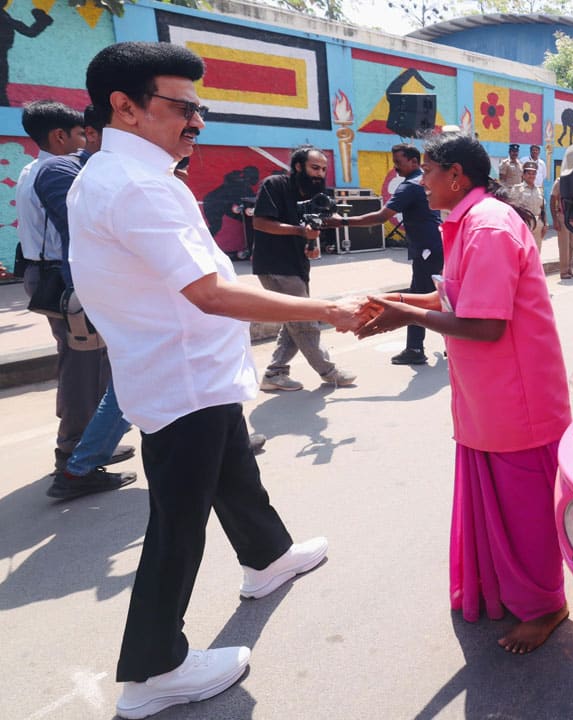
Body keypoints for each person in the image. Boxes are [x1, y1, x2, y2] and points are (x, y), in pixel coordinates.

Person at [68, 41, 360, 718]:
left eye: (199, 108)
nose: (196, 122)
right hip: (182, 378)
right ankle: (153, 670)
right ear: (125, 107)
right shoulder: (139, 185)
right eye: (182, 107)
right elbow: (211, 294)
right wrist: (328, 309)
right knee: (178, 523)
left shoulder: (119, 173)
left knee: (235, 471)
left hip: (195, 373)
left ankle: (268, 557)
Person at [353, 132, 571, 654]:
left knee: (525, 512)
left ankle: (548, 606)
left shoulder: (489, 227)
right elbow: (453, 294)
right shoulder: (468, 222)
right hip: (486, 396)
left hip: (516, 399)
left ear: (456, 177)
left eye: (426, 171)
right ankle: (504, 590)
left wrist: (406, 314)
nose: (419, 181)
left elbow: (485, 325)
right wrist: (394, 300)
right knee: (499, 504)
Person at [17, 100, 134, 477]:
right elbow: (80, 226)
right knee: (83, 365)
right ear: (59, 135)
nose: (87, 141)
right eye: (83, 133)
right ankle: (74, 452)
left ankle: (90, 443)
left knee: (92, 361)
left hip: (49, 272)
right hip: (60, 277)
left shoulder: (33, 167)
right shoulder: (56, 169)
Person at [252, 145, 356, 390]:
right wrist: (300, 231)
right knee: (305, 319)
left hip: (297, 264)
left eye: (323, 169)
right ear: (298, 166)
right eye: (314, 168)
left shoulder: (311, 194)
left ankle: (274, 373)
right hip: (275, 264)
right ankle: (329, 372)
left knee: (294, 321)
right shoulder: (274, 185)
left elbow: (311, 225)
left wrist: (311, 241)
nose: (319, 174)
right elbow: (261, 222)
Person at [328, 143, 442, 365]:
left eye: (399, 162)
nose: (396, 168)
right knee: (430, 297)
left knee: (417, 302)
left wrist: (341, 221)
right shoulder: (424, 181)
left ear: (413, 162)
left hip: (427, 250)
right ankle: (433, 344)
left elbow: (381, 216)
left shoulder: (409, 186)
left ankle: (417, 348)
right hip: (433, 246)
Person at [508, 161, 547, 251]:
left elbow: (543, 208)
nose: (531, 176)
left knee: (536, 252)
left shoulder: (539, 190)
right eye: (529, 173)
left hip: (538, 225)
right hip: (524, 224)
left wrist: (545, 224)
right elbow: (512, 209)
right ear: (523, 175)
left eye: (533, 174)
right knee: (524, 252)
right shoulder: (517, 189)